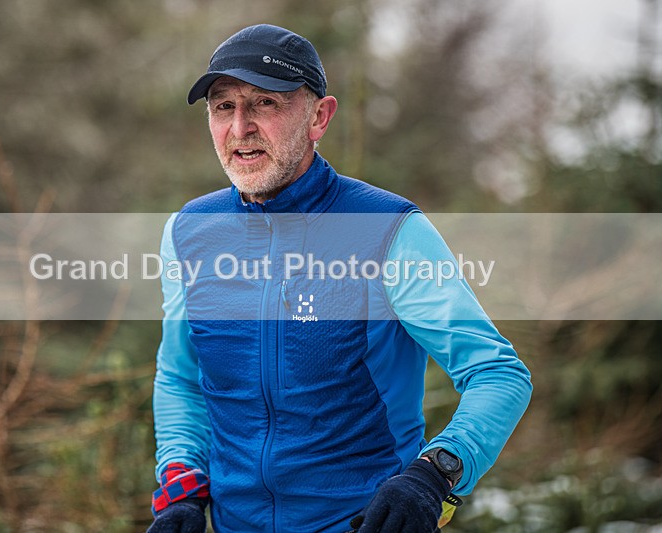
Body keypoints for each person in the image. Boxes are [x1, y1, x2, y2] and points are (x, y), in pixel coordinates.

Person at [148, 24, 532, 533]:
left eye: (265, 103)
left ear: (319, 117)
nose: (240, 127)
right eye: (223, 107)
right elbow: (180, 378)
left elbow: (497, 373)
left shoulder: (389, 230)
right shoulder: (189, 232)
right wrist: (182, 488)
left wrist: (434, 474)